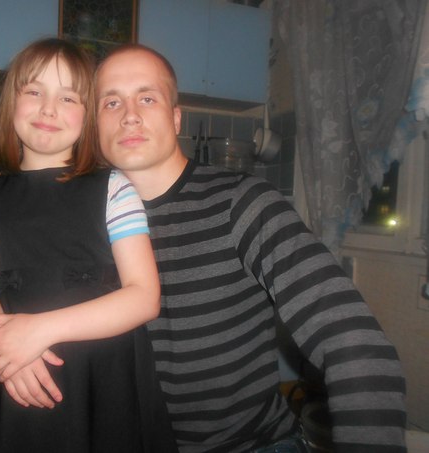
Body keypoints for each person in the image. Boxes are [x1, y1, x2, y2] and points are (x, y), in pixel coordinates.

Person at [91, 44, 407, 452]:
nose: (129, 114)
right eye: (111, 102)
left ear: (175, 117)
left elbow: (355, 343)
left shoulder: (242, 203)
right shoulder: (85, 223)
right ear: (95, 124)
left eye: (147, 98)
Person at [0, 38, 176, 453]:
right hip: (21, 376)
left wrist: (38, 331)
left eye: (68, 97)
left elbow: (144, 297)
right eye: (34, 92)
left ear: (88, 116)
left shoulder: (115, 189)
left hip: (107, 379)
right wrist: (8, 354)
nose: (49, 109)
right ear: (10, 102)